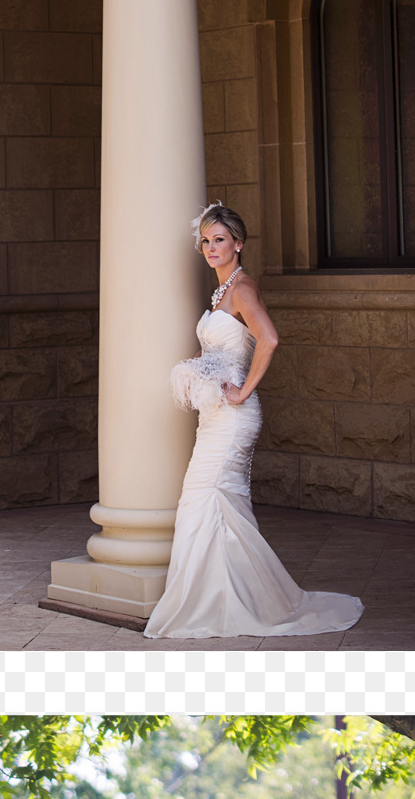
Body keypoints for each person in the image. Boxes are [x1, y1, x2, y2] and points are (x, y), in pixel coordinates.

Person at [144, 202, 364, 640]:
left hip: (234, 418)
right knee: (215, 506)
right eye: (205, 241)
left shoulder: (243, 288)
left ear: (238, 244)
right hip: (216, 418)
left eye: (219, 239)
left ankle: (217, 603)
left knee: (204, 500)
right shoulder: (223, 290)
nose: (210, 247)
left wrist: (242, 391)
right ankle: (227, 598)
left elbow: (270, 339)